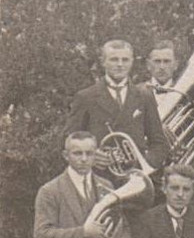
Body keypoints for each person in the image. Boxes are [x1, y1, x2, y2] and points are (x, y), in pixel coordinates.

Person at [66, 38, 169, 176]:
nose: (120, 64)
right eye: (114, 59)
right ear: (103, 62)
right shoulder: (86, 97)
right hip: (99, 176)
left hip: (136, 176)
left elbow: (159, 143)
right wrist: (90, 155)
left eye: (125, 60)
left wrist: (145, 164)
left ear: (132, 62)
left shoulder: (144, 96)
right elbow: (68, 139)